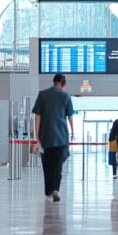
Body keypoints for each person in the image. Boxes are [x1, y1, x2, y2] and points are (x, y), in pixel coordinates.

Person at [32, 73, 75, 202]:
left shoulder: (42, 95)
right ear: (63, 84)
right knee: (58, 165)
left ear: (54, 82)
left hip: (46, 137)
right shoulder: (65, 96)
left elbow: (37, 116)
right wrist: (73, 132)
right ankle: (55, 188)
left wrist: (37, 136)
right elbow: (70, 116)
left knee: (47, 164)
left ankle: (49, 190)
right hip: (61, 136)